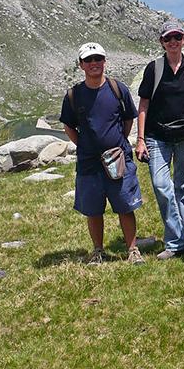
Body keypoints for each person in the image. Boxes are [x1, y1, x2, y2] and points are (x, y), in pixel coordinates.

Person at [59, 42, 145, 265]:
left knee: (125, 205)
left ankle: (132, 249)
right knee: (93, 209)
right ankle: (98, 250)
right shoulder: (73, 95)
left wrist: (118, 142)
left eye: (98, 59)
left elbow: (128, 120)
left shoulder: (118, 89)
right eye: (88, 60)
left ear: (104, 61)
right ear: (81, 65)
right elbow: (69, 126)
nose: (94, 63)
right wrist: (85, 145)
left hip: (118, 158)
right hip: (89, 163)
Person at [136, 21, 184, 260]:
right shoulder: (154, 68)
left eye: (177, 38)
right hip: (156, 137)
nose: (173, 42)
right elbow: (143, 104)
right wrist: (140, 139)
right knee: (162, 186)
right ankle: (176, 239)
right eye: (168, 39)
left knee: (183, 187)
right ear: (162, 42)